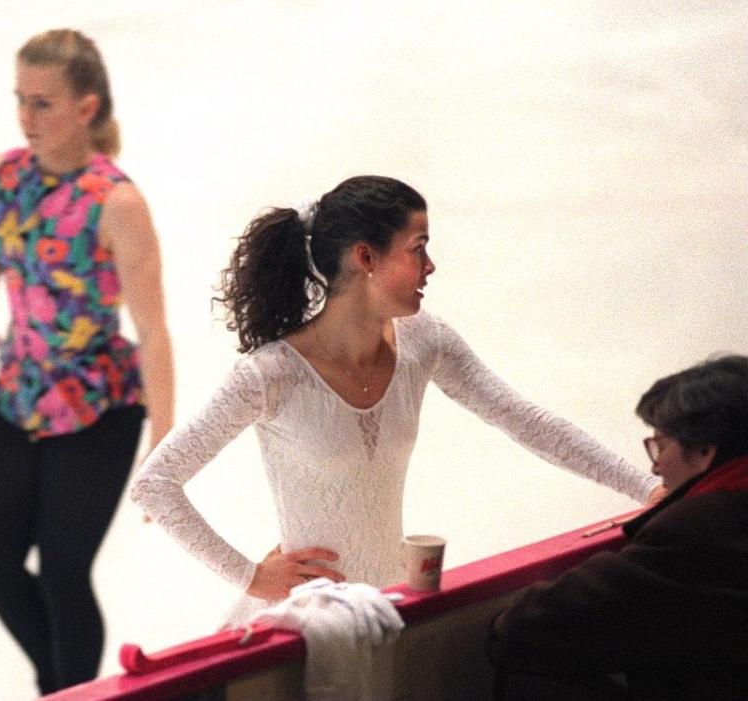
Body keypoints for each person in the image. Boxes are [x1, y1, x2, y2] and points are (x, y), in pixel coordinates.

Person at [131, 175, 658, 626]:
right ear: (366, 257)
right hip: (306, 622)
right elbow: (155, 484)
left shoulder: (427, 342)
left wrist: (648, 488)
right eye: (418, 247)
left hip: (389, 608)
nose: (430, 266)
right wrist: (251, 577)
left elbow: (527, 422)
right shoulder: (271, 375)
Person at [0, 29, 174, 695]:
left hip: (100, 407)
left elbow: (151, 330)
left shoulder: (117, 202)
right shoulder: (1, 177)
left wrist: (165, 442)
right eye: (21, 101)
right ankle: (59, 684)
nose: (26, 118)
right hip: (21, 395)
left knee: (63, 570)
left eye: (44, 104)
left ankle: (66, 690)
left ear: (87, 108)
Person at [487, 355, 748, 700]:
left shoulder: (697, 532)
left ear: (704, 451)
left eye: (661, 444)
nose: (655, 467)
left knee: (529, 679)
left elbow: (520, 629)